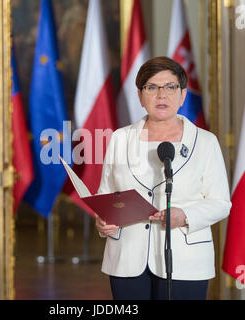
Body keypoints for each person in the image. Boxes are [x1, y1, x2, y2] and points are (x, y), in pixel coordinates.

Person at [95, 56, 231, 300]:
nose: (161, 95)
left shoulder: (206, 142)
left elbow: (221, 203)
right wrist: (102, 221)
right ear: (140, 96)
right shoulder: (120, 139)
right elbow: (106, 196)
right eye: (152, 87)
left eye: (170, 87)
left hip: (186, 261)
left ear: (183, 95)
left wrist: (185, 216)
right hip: (127, 259)